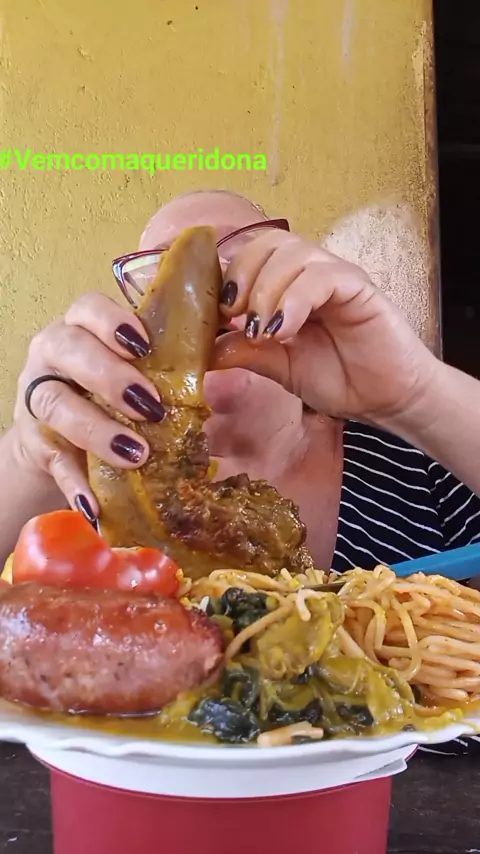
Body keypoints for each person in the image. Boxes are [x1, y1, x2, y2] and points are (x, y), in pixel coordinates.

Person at [2, 189, 480, 755]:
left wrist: (417, 394)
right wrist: (25, 459)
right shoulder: (71, 485)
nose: (213, 305)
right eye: (158, 276)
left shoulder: (427, 459)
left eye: (247, 267)